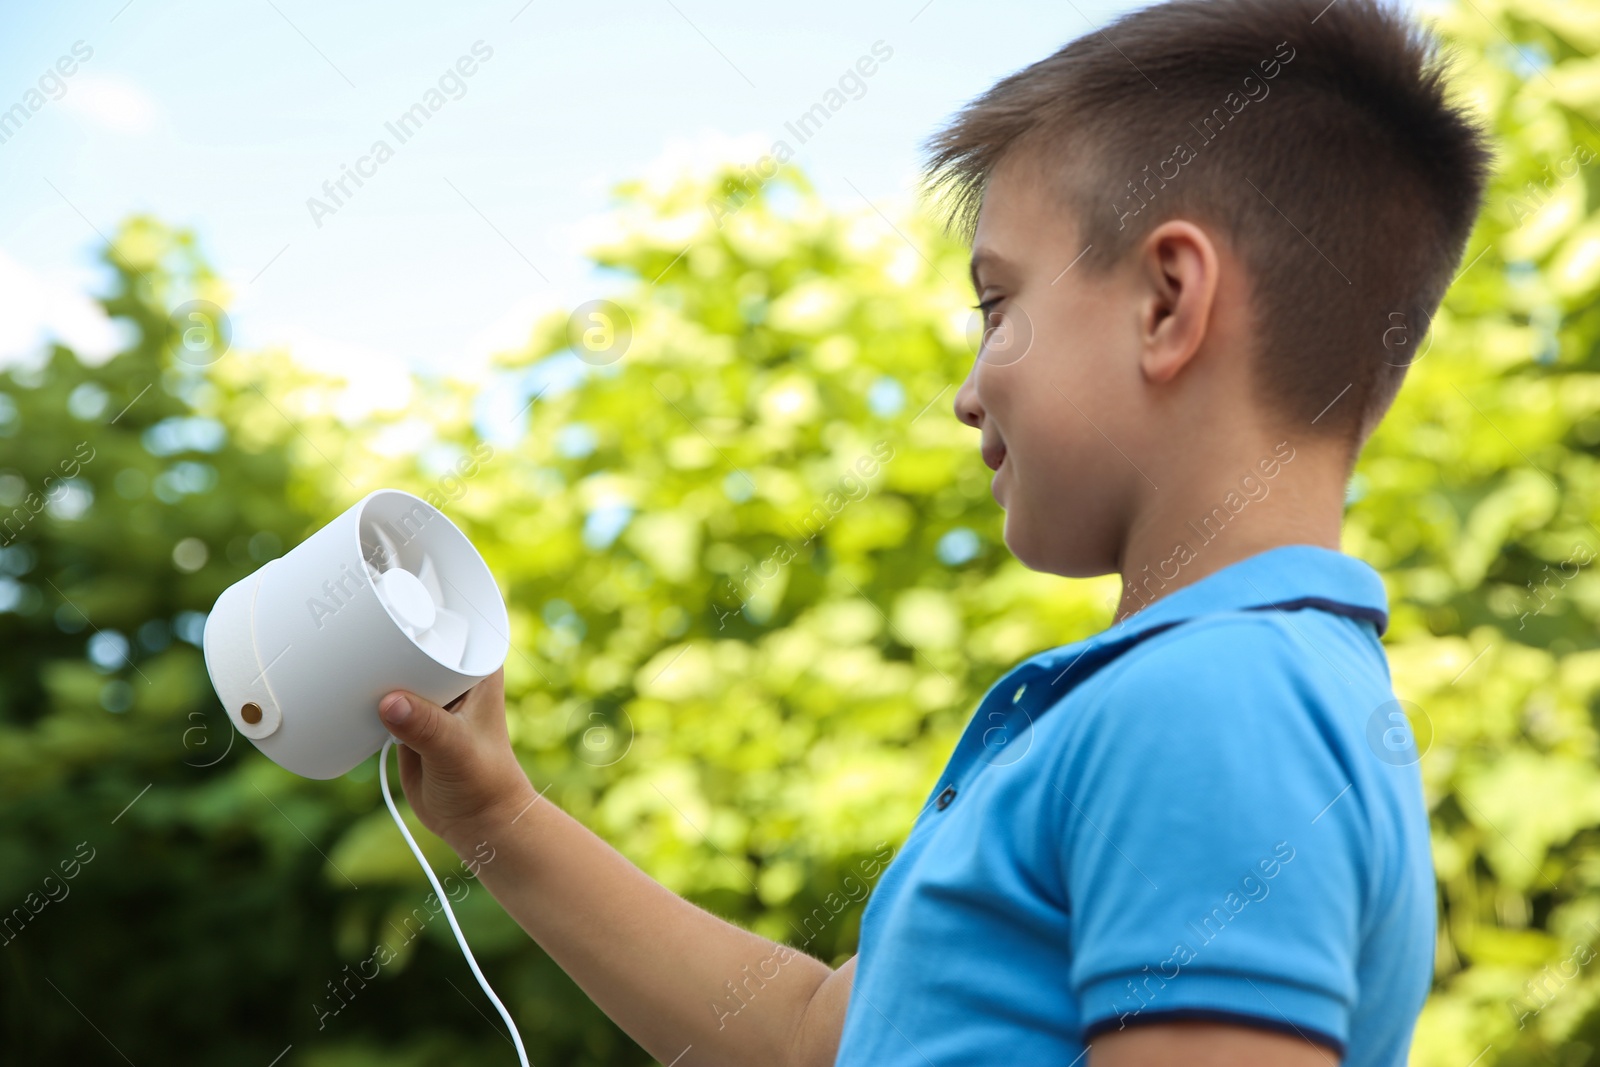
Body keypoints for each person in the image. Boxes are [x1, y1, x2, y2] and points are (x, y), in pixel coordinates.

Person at [376, 0, 1491, 1062]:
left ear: (1166, 301)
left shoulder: (1214, 699)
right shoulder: (1182, 696)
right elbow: (810, 1039)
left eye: (996, 306)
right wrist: (498, 815)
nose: (967, 393)